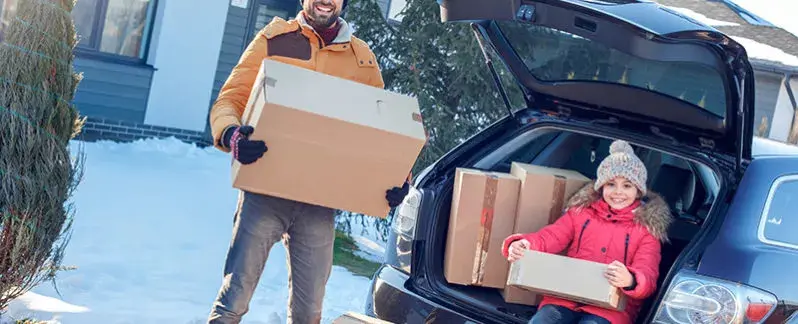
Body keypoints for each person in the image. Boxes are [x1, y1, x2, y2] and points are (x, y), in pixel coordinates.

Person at [205, 0, 409, 323]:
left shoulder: (361, 59)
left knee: (308, 314)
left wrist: (399, 177)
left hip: (319, 203)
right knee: (234, 301)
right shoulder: (274, 40)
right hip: (265, 193)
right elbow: (229, 100)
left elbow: (381, 131)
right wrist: (232, 135)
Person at [502, 140, 672, 324]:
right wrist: (525, 244)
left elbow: (648, 275)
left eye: (627, 186)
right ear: (601, 187)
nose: (618, 192)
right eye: (611, 184)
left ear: (638, 191)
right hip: (564, 297)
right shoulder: (581, 212)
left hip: (611, 310)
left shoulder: (646, 230)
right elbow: (551, 236)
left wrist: (630, 279)